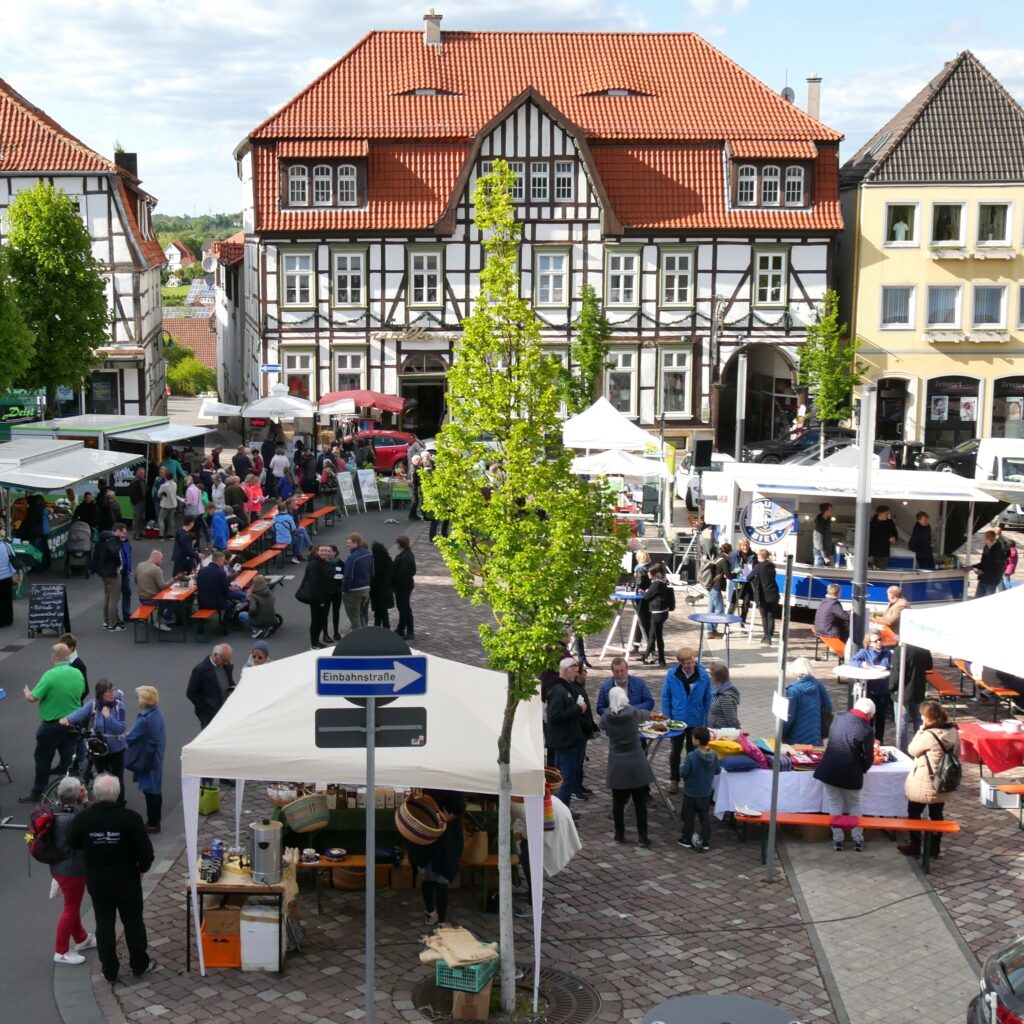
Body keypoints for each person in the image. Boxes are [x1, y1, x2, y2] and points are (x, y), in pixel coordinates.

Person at [67, 773, 155, 983]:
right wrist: (141, 869)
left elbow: (72, 842)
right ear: (117, 794)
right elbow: (146, 853)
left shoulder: (83, 819)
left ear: (96, 794)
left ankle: (109, 969)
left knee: (104, 923)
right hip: (127, 879)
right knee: (133, 923)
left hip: (98, 880)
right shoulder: (130, 819)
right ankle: (139, 964)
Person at [20, 644, 85, 803]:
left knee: (42, 758)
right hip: (72, 723)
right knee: (66, 759)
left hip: (52, 725)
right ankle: (63, 793)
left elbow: (33, 698)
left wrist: (27, 692)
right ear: (69, 656)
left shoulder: (50, 675)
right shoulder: (77, 673)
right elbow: (81, 692)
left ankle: (38, 792)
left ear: (53, 657)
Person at [897, 700, 960, 860]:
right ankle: (934, 848)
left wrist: (920, 730)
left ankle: (915, 845)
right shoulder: (952, 731)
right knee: (937, 814)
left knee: (914, 812)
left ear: (927, 717)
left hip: (925, 781)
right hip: (942, 781)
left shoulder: (929, 735)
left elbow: (912, 749)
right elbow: (957, 753)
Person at [813, 697, 876, 852]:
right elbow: (868, 756)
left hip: (829, 769)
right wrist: (863, 768)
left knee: (835, 804)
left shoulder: (839, 717)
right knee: (854, 805)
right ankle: (857, 839)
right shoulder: (866, 729)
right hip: (851, 773)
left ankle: (837, 839)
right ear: (869, 715)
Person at [601, 685, 653, 846]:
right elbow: (647, 714)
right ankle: (642, 836)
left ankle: (619, 833)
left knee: (617, 801)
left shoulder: (606, 718)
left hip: (617, 762)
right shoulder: (634, 714)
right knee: (639, 802)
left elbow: (603, 727)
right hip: (636, 761)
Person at [49, 776, 94, 965]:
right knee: (70, 908)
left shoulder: (52, 811)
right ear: (76, 795)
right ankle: (61, 951)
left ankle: (82, 938)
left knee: (72, 905)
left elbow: (30, 837)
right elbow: (94, 822)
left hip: (58, 867)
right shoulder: (73, 819)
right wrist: (86, 802)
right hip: (72, 870)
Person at [406, 789, 464, 927]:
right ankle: (441, 921)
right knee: (440, 880)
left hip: (425, 831)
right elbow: (459, 808)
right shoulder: (453, 784)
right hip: (445, 837)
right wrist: (447, 817)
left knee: (427, 877)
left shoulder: (426, 780)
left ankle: (431, 913)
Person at [62, 681, 127, 800]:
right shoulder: (93, 704)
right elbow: (80, 713)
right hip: (99, 747)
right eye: (109, 691)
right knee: (103, 777)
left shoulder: (119, 706)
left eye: (113, 690)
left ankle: (119, 802)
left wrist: (108, 717)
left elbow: (120, 729)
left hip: (117, 749)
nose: (113, 693)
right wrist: (67, 719)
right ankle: (105, 801)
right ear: (101, 693)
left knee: (117, 778)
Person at [660, 646, 711, 793]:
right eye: (687, 663)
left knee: (693, 751)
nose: (690, 666)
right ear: (681, 663)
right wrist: (667, 717)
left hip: (695, 719)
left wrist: (706, 719)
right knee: (675, 751)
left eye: (692, 662)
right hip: (677, 719)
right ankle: (674, 779)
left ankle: (691, 779)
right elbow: (666, 697)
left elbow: (708, 698)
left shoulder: (702, 676)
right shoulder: (672, 675)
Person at [546, 657, 587, 811]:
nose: (577, 671)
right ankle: (561, 812)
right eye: (574, 668)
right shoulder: (559, 690)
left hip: (568, 739)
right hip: (565, 741)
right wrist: (577, 708)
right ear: (565, 670)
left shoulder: (564, 688)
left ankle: (560, 811)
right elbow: (555, 716)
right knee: (566, 779)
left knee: (562, 778)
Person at [124, 686, 166, 834]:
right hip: (156, 755)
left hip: (148, 757)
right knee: (155, 788)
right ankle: (155, 821)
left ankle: (153, 823)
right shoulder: (157, 713)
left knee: (150, 790)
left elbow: (130, 737)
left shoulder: (144, 719)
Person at [677, 726, 721, 852]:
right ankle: (705, 840)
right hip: (705, 792)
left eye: (692, 738)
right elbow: (717, 770)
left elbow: (684, 772)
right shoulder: (714, 755)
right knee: (704, 816)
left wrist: (680, 770)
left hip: (691, 792)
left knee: (689, 816)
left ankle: (686, 838)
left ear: (697, 741)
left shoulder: (692, 756)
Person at [851, 629, 893, 742]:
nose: (879, 643)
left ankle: (880, 740)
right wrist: (861, 663)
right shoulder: (864, 652)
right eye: (875, 641)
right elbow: (853, 661)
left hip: (883, 689)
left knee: (881, 717)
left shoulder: (886, 652)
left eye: (880, 640)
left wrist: (879, 657)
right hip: (869, 689)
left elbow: (885, 665)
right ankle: (868, 740)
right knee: (869, 717)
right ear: (869, 643)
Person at [782, 658, 833, 745]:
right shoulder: (818, 684)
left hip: (795, 738)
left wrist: (782, 735)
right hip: (815, 736)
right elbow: (828, 706)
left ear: (794, 671)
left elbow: (789, 717)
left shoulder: (793, 690)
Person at [186, 644, 235, 730]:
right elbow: (191, 692)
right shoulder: (200, 670)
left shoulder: (225, 665)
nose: (227, 663)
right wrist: (205, 708)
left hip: (224, 710)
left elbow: (228, 681)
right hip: (209, 715)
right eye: (224, 660)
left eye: (228, 660)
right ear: (216, 655)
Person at [568, 662, 598, 798]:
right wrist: (586, 724)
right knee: (576, 761)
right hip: (578, 731)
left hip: (583, 730)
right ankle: (575, 788)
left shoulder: (579, 687)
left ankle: (579, 785)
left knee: (580, 760)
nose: (586, 674)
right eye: (583, 671)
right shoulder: (574, 689)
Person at [299, 546, 336, 650]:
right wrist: (320, 600)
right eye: (322, 550)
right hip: (317, 598)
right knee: (316, 621)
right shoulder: (314, 564)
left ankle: (317, 642)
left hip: (325, 596)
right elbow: (314, 583)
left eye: (325, 551)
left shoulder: (325, 562)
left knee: (321, 620)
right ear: (316, 552)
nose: (324, 552)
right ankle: (314, 644)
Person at [196, 551, 246, 628]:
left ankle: (201, 627)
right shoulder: (220, 573)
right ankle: (224, 627)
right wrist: (235, 590)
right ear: (219, 560)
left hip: (202, 602)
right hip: (216, 602)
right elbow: (226, 592)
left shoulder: (201, 571)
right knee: (231, 605)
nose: (223, 563)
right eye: (223, 561)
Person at [93, 522, 126, 631]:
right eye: (123, 533)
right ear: (118, 531)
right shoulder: (113, 540)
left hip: (103, 572)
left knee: (107, 596)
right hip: (112, 572)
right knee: (114, 598)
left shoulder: (103, 538)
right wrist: (118, 565)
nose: (123, 536)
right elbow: (114, 553)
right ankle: (113, 624)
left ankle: (106, 621)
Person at [640, 563, 672, 666]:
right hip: (663, 612)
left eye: (649, 572)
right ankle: (661, 659)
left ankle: (645, 658)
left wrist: (642, 591)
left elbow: (647, 596)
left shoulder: (656, 584)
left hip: (657, 612)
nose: (648, 574)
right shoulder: (663, 582)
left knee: (652, 636)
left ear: (653, 573)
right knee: (658, 635)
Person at [133, 550, 172, 632]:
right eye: (161, 559)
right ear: (156, 558)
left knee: (163, 599)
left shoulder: (140, 565)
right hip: (152, 599)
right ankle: (161, 621)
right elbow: (163, 586)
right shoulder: (156, 569)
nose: (161, 561)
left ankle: (161, 617)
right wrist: (174, 580)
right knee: (175, 602)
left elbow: (136, 580)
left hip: (142, 598)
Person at [748, 548, 780, 645]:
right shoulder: (771, 565)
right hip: (774, 593)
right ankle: (769, 636)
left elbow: (748, 577)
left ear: (759, 556)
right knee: (771, 616)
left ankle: (766, 636)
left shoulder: (758, 566)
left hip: (764, 595)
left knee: (764, 617)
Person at [342, 532, 373, 632]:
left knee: (354, 617)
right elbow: (372, 572)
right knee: (360, 613)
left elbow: (348, 576)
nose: (347, 544)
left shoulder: (352, 558)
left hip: (354, 591)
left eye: (349, 542)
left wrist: (344, 590)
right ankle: (364, 634)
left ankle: (358, 639)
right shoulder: (368, 554)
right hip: (366, 589)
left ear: (356, 543)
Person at [703, 542, 731, 636]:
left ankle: (709, 631)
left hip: (710, 586)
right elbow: (728, 575)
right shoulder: (724, 560)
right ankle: (713, 630)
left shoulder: (717, 558)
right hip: (716, 587)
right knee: (720, 610)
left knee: (711, 609)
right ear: (729, 551)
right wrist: (735, 573)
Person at [392, 535, 417, 641]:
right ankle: (401, 627)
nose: (396, 544)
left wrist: (396, 584)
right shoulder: (407, 554)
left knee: (404, 607)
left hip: (403, 586)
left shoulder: (405, 557)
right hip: (405, 585)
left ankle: (410, 631)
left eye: (396, 542)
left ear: (400, 544)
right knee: (402, 607)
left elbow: (402, 574)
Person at [728, 538, 757, 623]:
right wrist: (736, 571)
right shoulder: (734, 554)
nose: (745, 547)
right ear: (740, 546)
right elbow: (730, 566)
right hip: (737, 582)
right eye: (743, 545)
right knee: (733, 602)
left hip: (748, 582)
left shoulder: (753, 555)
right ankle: (728, 620)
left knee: (746, 603)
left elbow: (756, 568)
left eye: (747, 545)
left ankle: (742, 620)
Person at [368, 541, 395, 628]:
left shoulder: (375, 563)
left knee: (378, 614)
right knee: (384, 613)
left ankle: (378, 629)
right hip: (387, 590)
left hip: (377, 592)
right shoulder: (388, 560)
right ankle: (385, 630)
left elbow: (373, 578)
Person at [973, 530, 1005, 598]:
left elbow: (998, 568)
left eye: (984, 537)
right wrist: (973, 567)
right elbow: (983, 562)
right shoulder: (986, 547)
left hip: (991, 581)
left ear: (988, 538)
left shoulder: (998, 550)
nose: (983, 539)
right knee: (977, 598)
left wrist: (983, 571)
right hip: (983, 579)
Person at [708, 663, 741, 729]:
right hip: (716, 731)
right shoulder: (718, 690)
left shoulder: (725, 698)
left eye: (712, 675)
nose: (711, 677)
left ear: (718, 678)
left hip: (723, 734)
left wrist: (740, 732)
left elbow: (732, 720)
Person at [0, 530, 22, 628]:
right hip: (7, 576)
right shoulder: (7, 546)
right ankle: (8, 619)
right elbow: (12, 559)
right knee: (7, 599)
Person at [868, 505, 899, 569]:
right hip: (873, 552)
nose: (887, 515)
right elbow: (869, 540)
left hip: (884, 553)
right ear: (880, 513)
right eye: (886, 514)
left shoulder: (890, 522)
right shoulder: (872, 524)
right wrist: (870, 554)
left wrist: (894, 538)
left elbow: (895, 533)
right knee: (871, 573)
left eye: (888, 514)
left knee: (881, 572)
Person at [155, 470, 177, 540]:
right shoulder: (175, 484)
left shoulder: (164, 485)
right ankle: (171, 535)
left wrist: (162, 496)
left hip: (165, 504)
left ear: (166, 477)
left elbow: (158, 494)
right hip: (173, 504)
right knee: (171, 519)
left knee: (161, 519)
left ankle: (161, 536)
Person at [128, 468, 147, 539]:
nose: (143, 474)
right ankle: (135, 534)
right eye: (141, 473)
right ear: (137, 473)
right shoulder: (134, 481)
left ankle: (140, 532)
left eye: (143, 473)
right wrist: (135, 502)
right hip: (137, 502)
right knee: (136, 518)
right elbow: (131, 493)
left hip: (142, 501)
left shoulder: (143, 481)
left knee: (141, 518)